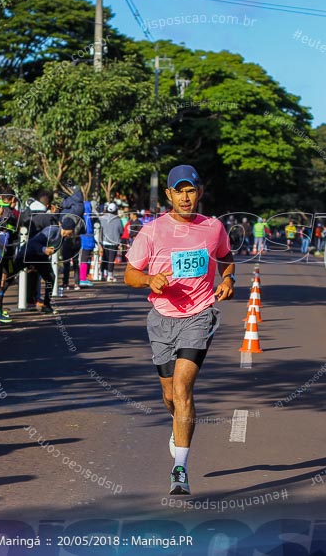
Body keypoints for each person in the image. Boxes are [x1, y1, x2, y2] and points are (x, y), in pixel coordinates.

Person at [124, 164, 234, 495]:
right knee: (170, 394)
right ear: (169, 195)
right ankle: (178, 425)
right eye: (178, 191)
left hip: (200, 315)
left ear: (199, 192)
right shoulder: (152, 231)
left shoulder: (214, 228)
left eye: (191, 190)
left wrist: (228, 279)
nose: (185, 197)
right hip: (161, 318)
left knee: (184, 388)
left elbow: (226, 258)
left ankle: (180, 469)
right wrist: (148, 279)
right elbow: (130, 273)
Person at [99, 203, 123, 282]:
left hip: (104, 241)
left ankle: (102, 274)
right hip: (113, 242)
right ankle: (109, 276)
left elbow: (99, 229)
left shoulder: (102, 218)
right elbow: (121, 230)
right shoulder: (118, 219)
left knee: (104, 258)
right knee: (110, 259)